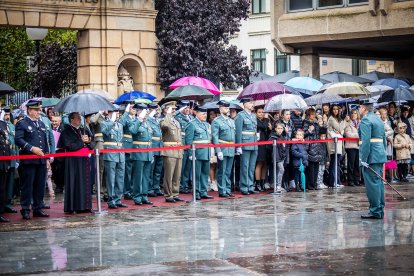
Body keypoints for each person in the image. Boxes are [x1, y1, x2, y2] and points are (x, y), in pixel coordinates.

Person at [15, 100, 50, 219]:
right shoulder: (22, 123)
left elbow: (45, 142)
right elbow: (18, 140)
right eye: (36, 110)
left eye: (39, 109)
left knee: (40, 185)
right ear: (29, 110)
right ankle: (25, 208)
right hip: (29, 160)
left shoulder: (41, 124)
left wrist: (47, 158)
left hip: (41, 160)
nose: (39, 112)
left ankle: (38, 207)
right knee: (27, 185)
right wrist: (31, 148)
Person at [58, 112, 94, 214]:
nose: (80, 120)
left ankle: (86, 206)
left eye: (80, 118)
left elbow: (92, 144)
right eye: (78, 118)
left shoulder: (84, 130)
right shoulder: (66, 131)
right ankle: (73, 206)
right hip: (73, 161)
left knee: (85, 183)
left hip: (84, 160)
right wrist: (82, 142)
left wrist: (88, 141)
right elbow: (70, 146)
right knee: (74, 183)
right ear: (72, 120)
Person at [358, 100, 387, 219]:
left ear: (364, 108)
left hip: (371, 156)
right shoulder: (378, 119)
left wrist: (363, 158)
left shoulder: (366, 120)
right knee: (379, 183)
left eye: (360, 107)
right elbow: (384, 139)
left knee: (372, 184)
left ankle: (375, 211)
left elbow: (365, 142)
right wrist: (383, 153)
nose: (359, 109)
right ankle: (379, 209)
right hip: (379, 155)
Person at [101, 107, 128, 209]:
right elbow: (105, 132)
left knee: (120, 178)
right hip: (110, 153)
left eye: (118, 112)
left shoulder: (120, 125)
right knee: (111, 178)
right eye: (116, 112)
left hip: (120, 153)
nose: (117, 114)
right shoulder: (105, 123)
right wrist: (111, 121)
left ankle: (118, 199)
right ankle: (111, 199)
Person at [185, 106, 213, 200]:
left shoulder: (206, 124)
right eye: (203, 113)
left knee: (205, 173)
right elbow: (189, 141)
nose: (205, 115)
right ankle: (196, 192)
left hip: (206, 151)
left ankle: (203, 191)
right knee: (196, 174)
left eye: (205, 113)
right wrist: (190, 154)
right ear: (196, 113)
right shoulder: (192, 124)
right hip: (197, 153)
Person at [129, 103, 154, 205]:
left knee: (145, 176)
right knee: (138, 176)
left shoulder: (147, 123)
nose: (146, 113)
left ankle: (144, 195)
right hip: (139, 152)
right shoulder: (134, 121)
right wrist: (139, 119)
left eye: (146, 111)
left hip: (148, 152)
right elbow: (133, 131)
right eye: (144, 111)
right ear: (139, 111)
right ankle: (137, 196)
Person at [160, 101, 184, 203]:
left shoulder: (176, 121)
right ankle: (168, 194)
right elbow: (165, 125)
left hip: (178, 150)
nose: (174, 111)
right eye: (171, 109)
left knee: (177, 175)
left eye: (174, 109)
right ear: (166, 110)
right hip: (169, 151)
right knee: (169, 175)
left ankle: (175, 193)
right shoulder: (163, 120)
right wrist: (168, 114)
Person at [211, 101, 236, 198]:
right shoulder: (216, 121)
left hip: (231, 148)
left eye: (228, 107)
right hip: (223, 147)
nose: (227, 109)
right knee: (222, 170)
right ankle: (222, 190)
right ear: (220, 108)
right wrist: (218, 150)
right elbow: (215, 137)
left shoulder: (231, 121)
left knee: (228, 171)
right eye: (225, 107)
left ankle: (228, 189)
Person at [235, 98, 259, 195]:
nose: (252, 104)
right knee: (245, 166)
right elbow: (238, 132)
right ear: (244, 104)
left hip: (254, 143)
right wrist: (239, 146)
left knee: (252, 166)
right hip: (245, 143)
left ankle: (250, 185)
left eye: (252, 102)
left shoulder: (253, 116)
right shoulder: (240, 116)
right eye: (250, 103)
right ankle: (244, 186)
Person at [1, 107, 18, 213]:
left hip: (12, 156)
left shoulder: (11, 126)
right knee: (3, 183)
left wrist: (17, 158)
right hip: (3, 157)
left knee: (10, 182)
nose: (7, 116)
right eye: (5, 114)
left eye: (8, 115)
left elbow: (14, 143)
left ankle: (8, 202)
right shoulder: (1, 126)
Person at [147, 103, 164, 197]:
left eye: (158, 110)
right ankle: (149, 189)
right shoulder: (148, 119)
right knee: (150, 170)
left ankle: (156, 187)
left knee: (158, 170)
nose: (157, 112)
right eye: (155, 110)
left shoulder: (158, 120)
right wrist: (150, 115)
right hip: (152, 147)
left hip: (160, 147)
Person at [175, 100, 192, 194]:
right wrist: (178, 111)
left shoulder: (191, 117)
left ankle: (185, 185)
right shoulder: (177, 117)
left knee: (187, 168)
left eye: (188, 107)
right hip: (182, 144)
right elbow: (171, 117)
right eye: (185, 107)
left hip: (190, 145)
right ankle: (180, 186)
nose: (187, 109)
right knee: (181, 167)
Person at [120, 102, 136, 200]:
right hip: (127, 146)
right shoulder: (125, 118)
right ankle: (127, 191)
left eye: (135, 108)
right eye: (132, 107)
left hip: (135, 147)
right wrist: (125, 112)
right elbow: (121, 123)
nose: (134, 109)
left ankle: (133, 189)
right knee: (128, 171)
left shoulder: (136, 118)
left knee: (134, 171)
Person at [327, 104, 344, 188]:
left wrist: (341, 130)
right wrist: (344, 122)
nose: (336, 111)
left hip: (339, 144)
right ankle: (333, 182)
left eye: (337, 109)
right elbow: (340, 128)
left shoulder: (339, 119)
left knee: (337, 164)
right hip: (334, 145)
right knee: (334, 164)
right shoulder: (331, 119)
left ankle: (337, 181)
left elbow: (342, 131)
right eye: (334, 109)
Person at [254, 106, 271, 192]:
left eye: (263, 112)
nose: (261, 114)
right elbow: (262, 126)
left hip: (266, 143)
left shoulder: (267, 120)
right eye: (259, 112)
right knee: (259, 163)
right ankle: (257, 183)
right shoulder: (255, 120)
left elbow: (268, 131)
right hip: (259, 143)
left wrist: (270, 129)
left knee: (265, 164)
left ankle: (262, 182)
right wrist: (266, 121)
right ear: (256, 113)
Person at [268, 122, 287, 193]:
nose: (280, 130)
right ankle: (277, 185)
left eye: (281, 128)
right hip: (276, 156)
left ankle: (277, 185)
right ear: (275, 129)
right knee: (281, 169)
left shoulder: (283, 137)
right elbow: (269, 146)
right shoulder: (272, 137)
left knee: (279, 170)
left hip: (281, 156)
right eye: (278, 128)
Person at [344, 109, 361, 186]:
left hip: (358, 146)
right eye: (352, 113)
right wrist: (359, 135)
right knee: (351, 164)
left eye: (355, 113)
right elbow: (348, 134)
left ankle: (356, 179)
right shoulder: (348, 124)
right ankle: (350, 180)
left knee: (357, 164)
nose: (354, 115)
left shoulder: (360, 123)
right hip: (351, 146)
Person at [0, 113, 11, 222]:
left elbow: (6, 143)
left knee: (2, 188)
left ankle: (1, 211)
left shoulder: (3, 124)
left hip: (3, 162)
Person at [208, 110, 218, 192]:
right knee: (212, 165)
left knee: (217, 165)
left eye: (214, 114)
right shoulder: (207, 125)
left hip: (218, 145)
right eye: (211, 114)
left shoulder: (218, 123)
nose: (213, 115)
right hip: (210, 145)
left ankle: (215, 180)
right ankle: (212, 182)